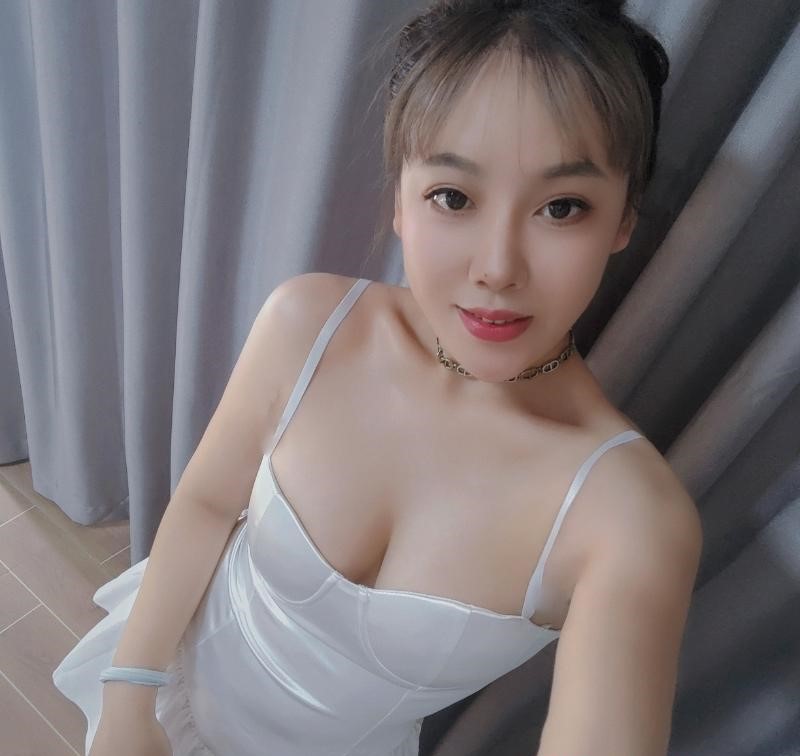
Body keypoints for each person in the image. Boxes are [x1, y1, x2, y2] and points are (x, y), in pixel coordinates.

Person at [52, 1, 703, 754]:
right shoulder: (309, 324)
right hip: (162, 691)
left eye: (562, 207)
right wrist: (129, 694)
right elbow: (205, 503)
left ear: (623, 220)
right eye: (453, 197)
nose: (497, 268)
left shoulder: (627, 520)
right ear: (400, 199)